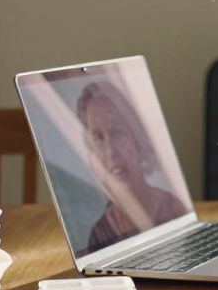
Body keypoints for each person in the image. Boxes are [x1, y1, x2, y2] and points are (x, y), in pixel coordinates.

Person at [76, 81, 187, 250]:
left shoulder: (173, 208)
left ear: (136, 137)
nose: (110, 151)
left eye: (117, 133)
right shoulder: (100, 234)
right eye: (99, 138)